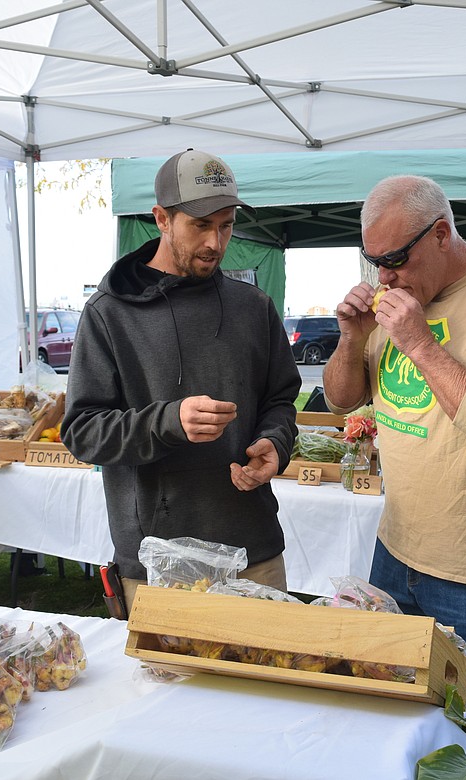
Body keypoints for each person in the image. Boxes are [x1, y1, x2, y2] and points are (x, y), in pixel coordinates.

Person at [323, 175, 466, 661]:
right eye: (374, 262)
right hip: (395, 548)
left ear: (440, 234)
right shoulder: (392, 298)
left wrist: (419, 343)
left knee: (464, 723)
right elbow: (340, 401)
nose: (384, 277)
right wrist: (351, 338)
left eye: (394, 259)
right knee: (386, 702)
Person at [62, 149, 301, 609]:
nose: (216, 241)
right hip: (158, 560)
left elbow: (281, 400)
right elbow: (82, 430)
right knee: (167, 683)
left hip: (253, 551)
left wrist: (275, 442)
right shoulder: (110, 314)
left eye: (226, 224)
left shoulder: (254, 308)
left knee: (267, 678)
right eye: (200, 225)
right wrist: (169, 422)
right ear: (161, 219)